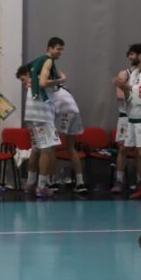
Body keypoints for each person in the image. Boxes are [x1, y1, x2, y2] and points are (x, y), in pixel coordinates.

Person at [44, 41, 88, 194]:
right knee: (70, 148)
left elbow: (44, 85)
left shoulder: (51, 85)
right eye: (58, 49)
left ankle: (51, 181)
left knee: (51, 148)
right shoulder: (64, 88)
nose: (60, 52)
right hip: (73, 111)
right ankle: (80, 183)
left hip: (62, 112)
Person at [113, 43, 141, 200]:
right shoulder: (136, 72)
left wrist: (127, 87)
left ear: (140, 55)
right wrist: (124, 88)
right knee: (138, 153)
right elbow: (130, 96)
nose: (130, 57)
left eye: (132, 54)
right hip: (133, 116)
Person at [17, 59, 59, 198]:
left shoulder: (36, 80)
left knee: (36, 149)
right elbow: (47, 82)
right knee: (46, 151)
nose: (24, 84)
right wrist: (62, 79)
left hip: (32, 118)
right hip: (42, 117)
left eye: (23, 80)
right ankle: (41, 187)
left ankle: (30, 184)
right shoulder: (40, 79)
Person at [111, 57, 141, 194]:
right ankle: (119, 180)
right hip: (126, 116)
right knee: (123, 149)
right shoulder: (124, 74)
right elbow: (120, 95)